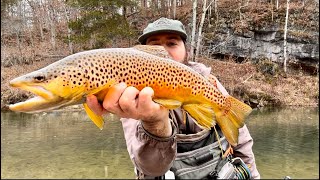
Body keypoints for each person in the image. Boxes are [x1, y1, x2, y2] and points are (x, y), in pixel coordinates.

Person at [86, 17, 260, 179]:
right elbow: (149, 168)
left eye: (172, 43)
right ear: (141, 56)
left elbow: (241, 142)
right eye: (155, 45)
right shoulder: (131, 96)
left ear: (187, 51)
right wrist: (154, 123)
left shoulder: (209, 82)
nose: (163, 51)